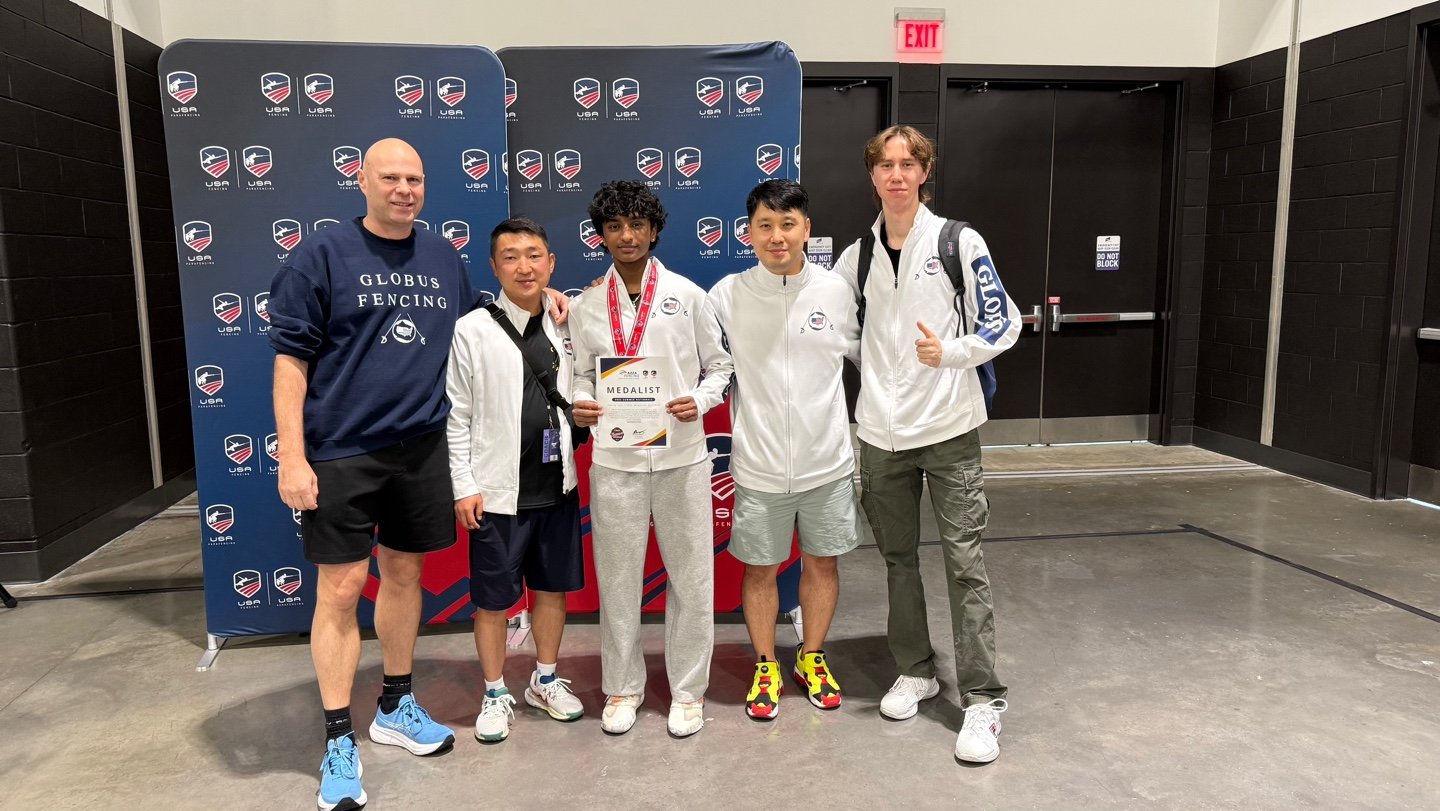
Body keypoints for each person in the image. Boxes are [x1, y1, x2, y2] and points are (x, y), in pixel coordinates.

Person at [270, 138, 468, 811]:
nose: (404, 188)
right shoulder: (321, 253)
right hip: (341, 450)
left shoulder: (443, 255)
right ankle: (336, 737)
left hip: (420, 447)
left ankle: (395, 704)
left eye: (414, 177)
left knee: (406, 574)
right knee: (342, 587)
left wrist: (552, 297)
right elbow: (290, 362)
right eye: (390, 177)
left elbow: (476, 334)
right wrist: (291, 456)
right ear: (361, 180)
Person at [832, 125, 1021, 764]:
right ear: (872, 175)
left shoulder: (956, 240)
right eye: (885, 165)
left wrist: (954, 353)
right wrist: (875, 368)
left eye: (908, 164)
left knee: (965, 564)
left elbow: (1004, 320)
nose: (896, 175)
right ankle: (915, 667)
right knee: (897, 560)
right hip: (880, 438)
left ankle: (984, 699)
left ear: (925, 171)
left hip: (948, 433)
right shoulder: (856, 255)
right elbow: (838, 330)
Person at [567, 180, 733, 738]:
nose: (627, 236)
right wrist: (583, 404)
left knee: (691, 578)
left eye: (637, 225)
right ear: (602, 236)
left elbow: (720, 367)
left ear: (655, 230)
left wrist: (702, 400)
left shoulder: (688, 296)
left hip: (683, 456)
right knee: (617, 580)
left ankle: (689, 691)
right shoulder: (587, 304)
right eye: (615, 227)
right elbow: (581, 375)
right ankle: (623, 687)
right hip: (615, 460)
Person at [706, 179, 860, 720]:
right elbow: (688, 347)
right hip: (759, 464)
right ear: (748, 233)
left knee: (822, 564)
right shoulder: (726, 295)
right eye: (765, 226)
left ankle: (812, 657)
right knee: (761, 570)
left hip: (828, 462)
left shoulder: (838, 293)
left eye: (787, 224)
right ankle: (767, 663)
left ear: (806, 230)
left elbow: (876, 353)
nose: (777, 237)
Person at [446, 218, 585, 743]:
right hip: (497, 491)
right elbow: (456, 415)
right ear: (493, 266)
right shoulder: (472, 330)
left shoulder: (567, 322)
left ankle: (544, 679)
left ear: (550, 263)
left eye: (534, 256)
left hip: (559, 485)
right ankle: (495, 691)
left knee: (551, 590)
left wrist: (580, 293)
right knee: (493, 600)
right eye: (510, 257)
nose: (523, 266)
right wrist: (464, 484)